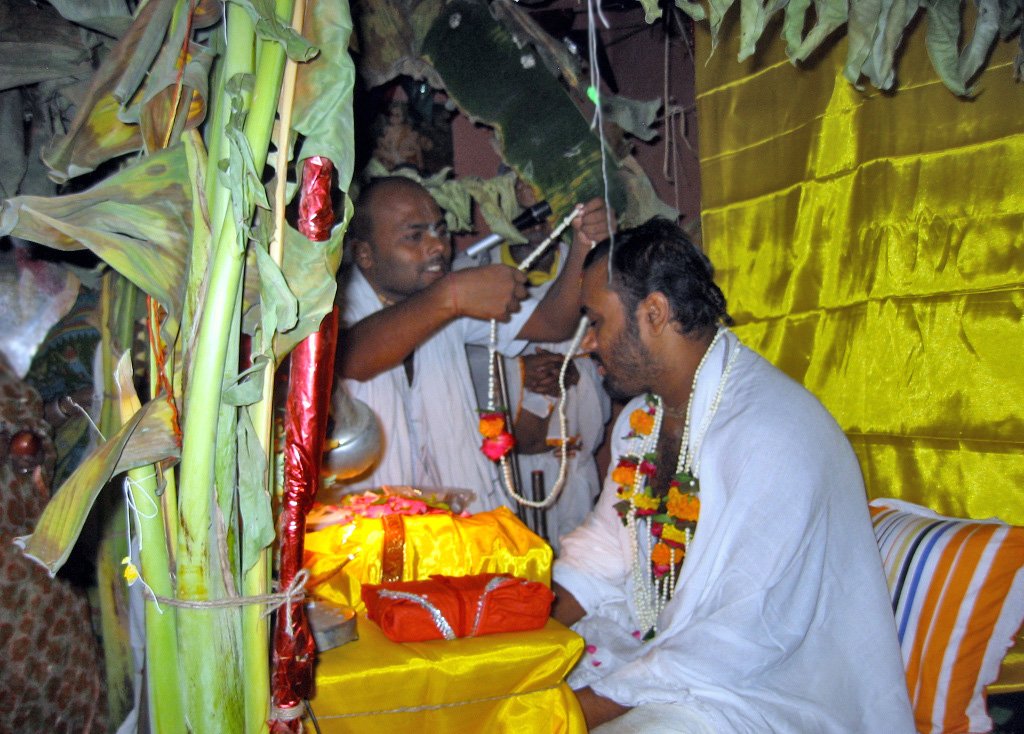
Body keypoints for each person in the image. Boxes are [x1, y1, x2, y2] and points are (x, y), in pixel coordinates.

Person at [552, 218, 915, 732]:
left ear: (653, 312)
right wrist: (512, 632)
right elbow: (602, 554)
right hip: (665, 655)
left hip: (766, 690)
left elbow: (741, 634)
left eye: (597, 321)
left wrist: (562, 714)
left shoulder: (771, 431)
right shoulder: (645, 420)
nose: (588, 344)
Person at [333, 175, 612, 512]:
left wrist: (582, 245)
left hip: (464, 524)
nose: (437, 246)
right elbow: (352, 358)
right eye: (415, 236)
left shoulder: (448, 296)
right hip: (366, 533)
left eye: (440, 230)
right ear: (365, 254)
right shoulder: (334, 306)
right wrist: (449, 297)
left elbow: (554, 323)